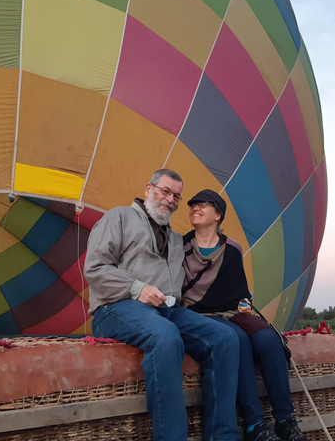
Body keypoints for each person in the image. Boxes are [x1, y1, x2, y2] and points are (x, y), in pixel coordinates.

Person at [84, 170, 240, 441]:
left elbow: (205, 263)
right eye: (164, 191)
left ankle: (222, 435)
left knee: (224, 338)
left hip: (167, 310)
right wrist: (137, 288)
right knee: (166, 337)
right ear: (148, 188)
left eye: (176, 196)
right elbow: (95, 268)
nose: (170, 199)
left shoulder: (177, 239)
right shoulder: (118, 217)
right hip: (117, 306)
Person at [181, 189, 306, 441]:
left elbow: (238, 289)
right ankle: (254, 425)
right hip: (198, 315)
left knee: (270, 338)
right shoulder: (180, 246)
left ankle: (285, 420)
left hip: (231, 312)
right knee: (237, 340)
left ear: (218, 214)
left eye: (203, 204)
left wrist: (244, 303)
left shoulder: (233, 249)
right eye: (193, 204)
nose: (195, 207)